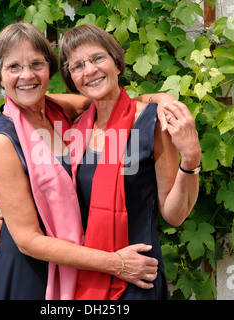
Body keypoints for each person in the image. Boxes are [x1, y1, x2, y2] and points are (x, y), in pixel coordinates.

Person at [0, 22, 177, 300]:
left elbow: (108, 99)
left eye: (36, 64)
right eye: (13, 67)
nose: (26, 75)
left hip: (77, 263)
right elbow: (28, 240)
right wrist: (116, 264)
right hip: (35, 272)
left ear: (49, 70)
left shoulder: (56, 109)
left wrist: (158, 99)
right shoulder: (3, 139)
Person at [58, 24, 201, 300]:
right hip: (84, 277)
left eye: (98, 58)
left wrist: (191, 159)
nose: (90, 70)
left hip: (138, 278)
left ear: (117, 62)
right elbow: (27, 101)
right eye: (77, 66)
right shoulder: (76, 128)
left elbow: (174, 215)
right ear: (71, 78)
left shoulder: (151, 122)